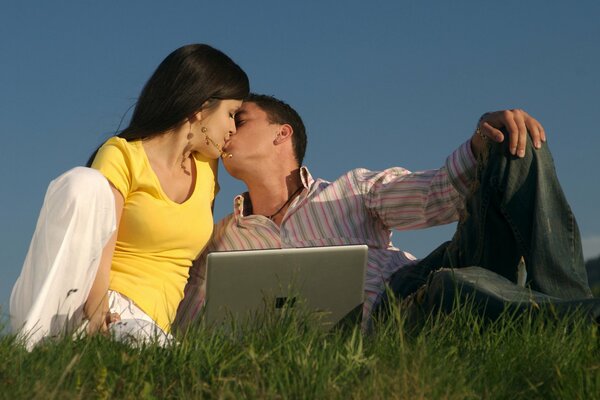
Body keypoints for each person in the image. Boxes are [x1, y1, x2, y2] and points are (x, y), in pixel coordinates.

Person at [175, 93, 598, 332]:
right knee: (453, 286)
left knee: (509, 139)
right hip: (392, 318)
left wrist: (480, 140)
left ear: (280, 134)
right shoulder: (222, 242)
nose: (226, 130)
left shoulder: (352, 190)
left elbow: (439, 195)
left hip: (413, 278)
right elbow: (188, 329)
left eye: (239, 119)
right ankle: (580, 321)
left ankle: (572, 304)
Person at [10, 44, 249, 349]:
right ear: (201, 107)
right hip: (93, 307)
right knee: (84, 183)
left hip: (150, 324)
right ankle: (35, 343)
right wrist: (98, 310)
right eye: (231, 114)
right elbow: (98, 244)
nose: (233, 129)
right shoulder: (122, 155)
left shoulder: (206, 169)